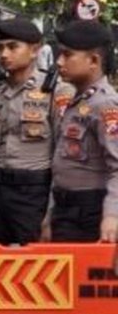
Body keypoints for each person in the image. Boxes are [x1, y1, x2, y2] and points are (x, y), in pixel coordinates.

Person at [0, 17, 54, 245]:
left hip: (34, 192)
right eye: (1, 47)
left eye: (13, 47)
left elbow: (62, 160)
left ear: (34, 50)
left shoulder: (55, 93)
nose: (4, 54)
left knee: (36, 268)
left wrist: (53, 214)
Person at [49, 20, 118, 242]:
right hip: (66, 208)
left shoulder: (105, 105)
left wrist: (111, 215)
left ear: (94, 61)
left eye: (68, 55)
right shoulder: (77, 101)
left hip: (90, 212)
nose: (59, 62)